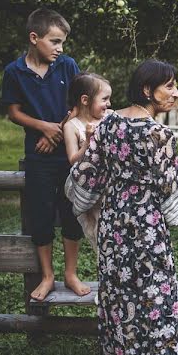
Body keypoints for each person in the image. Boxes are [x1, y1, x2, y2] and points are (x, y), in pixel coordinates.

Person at [66, 59, 178, 355]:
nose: (176, 93)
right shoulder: (159, 135)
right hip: (146, 229)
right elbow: (171, 199)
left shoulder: (107, 124)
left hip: (114, 228)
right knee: (156, 309)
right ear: (146, 90)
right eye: (169, 86)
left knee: (118, 305)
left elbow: (86, 176)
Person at [0, 8, 90, 301]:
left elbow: (80, 104)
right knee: (40, 215)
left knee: (71, 212)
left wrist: (58, 134)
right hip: (37, 156)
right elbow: (14, 112)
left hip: (71, 153)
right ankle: (48, 276)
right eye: (54, 41)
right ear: (34, 37)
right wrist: (44, 128)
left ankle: (71, 274)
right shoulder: (14, 72)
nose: (60, 48)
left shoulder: (67, 66)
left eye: (62, 42)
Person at [63, 72, 112, 253]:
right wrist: (89, 141)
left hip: (111, 190)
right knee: (99, 236)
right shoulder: (72, 126)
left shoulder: (109, 118)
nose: (109, 104)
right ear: (85, 100)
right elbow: (72, 159)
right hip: (90, 190)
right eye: (105, 99)